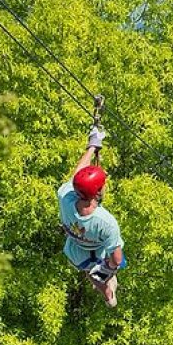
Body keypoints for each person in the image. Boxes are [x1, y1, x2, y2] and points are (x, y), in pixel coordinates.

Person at [57, 126, 125, 307]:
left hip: (78, 251)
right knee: (99, 273)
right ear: (97, 193)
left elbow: (76, 177)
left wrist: (92, 146)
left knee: (90, 273)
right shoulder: (106, 222)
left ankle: (107, 294)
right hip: (100, 252)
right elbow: (116, 259)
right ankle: (107, 286)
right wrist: (107, 270)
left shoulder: (65, 198)